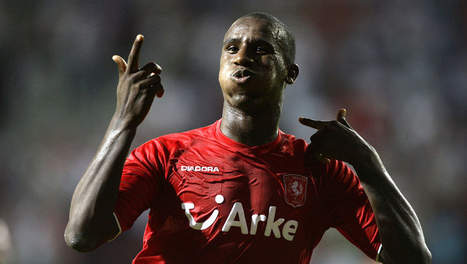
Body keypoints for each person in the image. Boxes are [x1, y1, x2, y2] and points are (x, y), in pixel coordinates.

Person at [64, 12, 431, 264]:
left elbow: (412, 258)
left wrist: (368, 165)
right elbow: (82, 235)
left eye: (261, 49)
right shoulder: (166, 154)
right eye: (232, 48)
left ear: (291, 73)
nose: (242, 57)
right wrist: (124, 120)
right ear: (220, 67)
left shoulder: (319, 171)